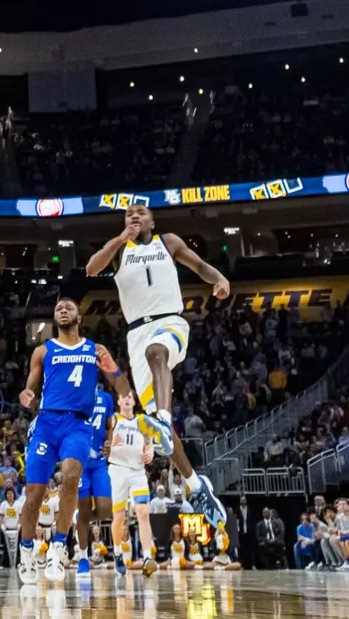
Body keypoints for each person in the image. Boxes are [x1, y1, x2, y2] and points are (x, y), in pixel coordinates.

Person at [84, 203, 229, 526]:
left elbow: (201, 265)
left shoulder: (169, 242)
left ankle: (164, 417)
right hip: (136, 332)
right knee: (162, 434)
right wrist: (121, 238)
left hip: (170, 322)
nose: (133, 216)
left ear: (152, 220)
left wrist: (220, 280)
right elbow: (92, 269)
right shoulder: (120, 249)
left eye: (140, 212)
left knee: (157, 353)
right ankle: (196, 486)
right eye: (128, 215)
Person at [16, 297, 130, 584]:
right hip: (46, 423)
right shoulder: (43, 351)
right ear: (55, 319)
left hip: (78, 425)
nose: (63, 310)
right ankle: (27, 551)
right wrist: (27, 396)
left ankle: (58, 547)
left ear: (80, 316)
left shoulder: (96, 350)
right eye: (58, 308)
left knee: (70, 477)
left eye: (68, 307)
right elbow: (30, 389)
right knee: (34, 496)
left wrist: (116, 375)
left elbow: (120, 384)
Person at [105, 389, 157, 575]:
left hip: (137, 470)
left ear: (134, 402)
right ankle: (118, 552)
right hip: (117, 469)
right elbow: (101, 440)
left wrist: (150, 451)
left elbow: (150, 443)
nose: (127, 399)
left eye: (130, 397)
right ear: (118, 402)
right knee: (119, 516)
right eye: (123, 397)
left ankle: (147, 556)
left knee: (143, 511)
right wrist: (109, 442)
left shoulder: (142, 421)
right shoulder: (112, 419)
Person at [72, 383, 116, 576]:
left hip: (98, 461)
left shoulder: (106, 398)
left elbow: (110, 425)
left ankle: (80, 519)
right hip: (80, 460)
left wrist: (109, 443)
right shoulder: (74, 395)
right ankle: (83, 557)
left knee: (106, 508)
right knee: (83, 507)